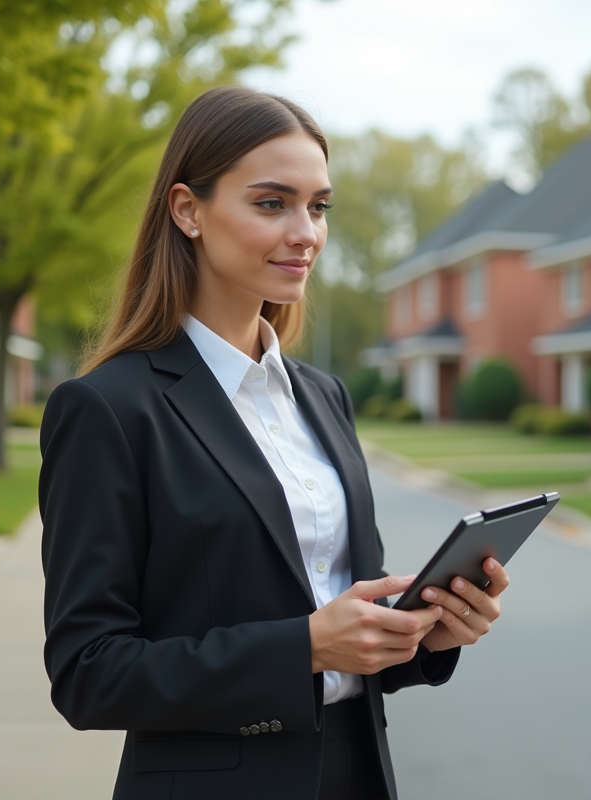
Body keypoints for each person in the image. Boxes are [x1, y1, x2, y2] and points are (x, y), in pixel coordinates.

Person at [39, 85, 512, 800]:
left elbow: (345, 628)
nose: (307, 233)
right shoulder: (108, 409)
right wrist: (305, 647)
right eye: (272, 203)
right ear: (187, 210)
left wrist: (422, 636)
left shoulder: (324, 398)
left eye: (318, 206)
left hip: (355, 775)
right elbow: (88, 673)